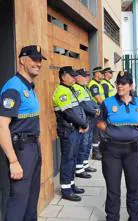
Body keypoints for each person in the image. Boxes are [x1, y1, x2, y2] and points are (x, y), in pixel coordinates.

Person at [0, 45, 46, 221]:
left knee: (31, 199)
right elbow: (2, 126)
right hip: (21, 150)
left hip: (33, 147)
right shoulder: (14, 88)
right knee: (19, 201)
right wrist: (13, 161)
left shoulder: (28, 86)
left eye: (40, 60)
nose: (38, 63)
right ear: (22, 60)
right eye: (34, 59)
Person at [97, 71, 138, 221]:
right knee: (113, 188)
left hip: (133, 151)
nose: (119, 86)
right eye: (118, 83)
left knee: (134, 186)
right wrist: (113, 131)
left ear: (131, 86)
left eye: (123, 83)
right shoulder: (107, 103)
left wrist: (129, 132)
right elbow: (99, 122)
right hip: (112, 151)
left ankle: (135, 217)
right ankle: (112, 217)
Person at [53, 66, 88, 201]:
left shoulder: (70, 89)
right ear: (63, 76)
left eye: (75, 76)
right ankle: (66, 190)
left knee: (73, 158)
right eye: (72, 76)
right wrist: (83, 124)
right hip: (68, 130)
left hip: (74, 130)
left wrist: (82, 124)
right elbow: (68, 113)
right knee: (68, 159)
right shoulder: (61, 91)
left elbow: (77, 109)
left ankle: (71, 184)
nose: (74, 78)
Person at [72, 68, 99, 178]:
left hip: (90, 118)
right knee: (83, 144)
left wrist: (96, 108)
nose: (86, 78)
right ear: (77, 77)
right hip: (84, 119)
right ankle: (79, 169)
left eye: (87, 75)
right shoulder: (77, 88)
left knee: (87, 144)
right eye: (84, 76)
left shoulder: (84, 88)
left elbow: (91, 101)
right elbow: (83, 105)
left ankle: (85, 164)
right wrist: (94, 111)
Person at [87, 66, 105, 160]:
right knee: (96, 132)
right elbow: (98, 98)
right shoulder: (93, 84)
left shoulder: (98, 83)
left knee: (99, 132)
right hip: (96, 111)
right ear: (96, 74)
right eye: (101, 72)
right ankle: (95, 153)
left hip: (99, 110)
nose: (103, 74)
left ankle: (98, 150)